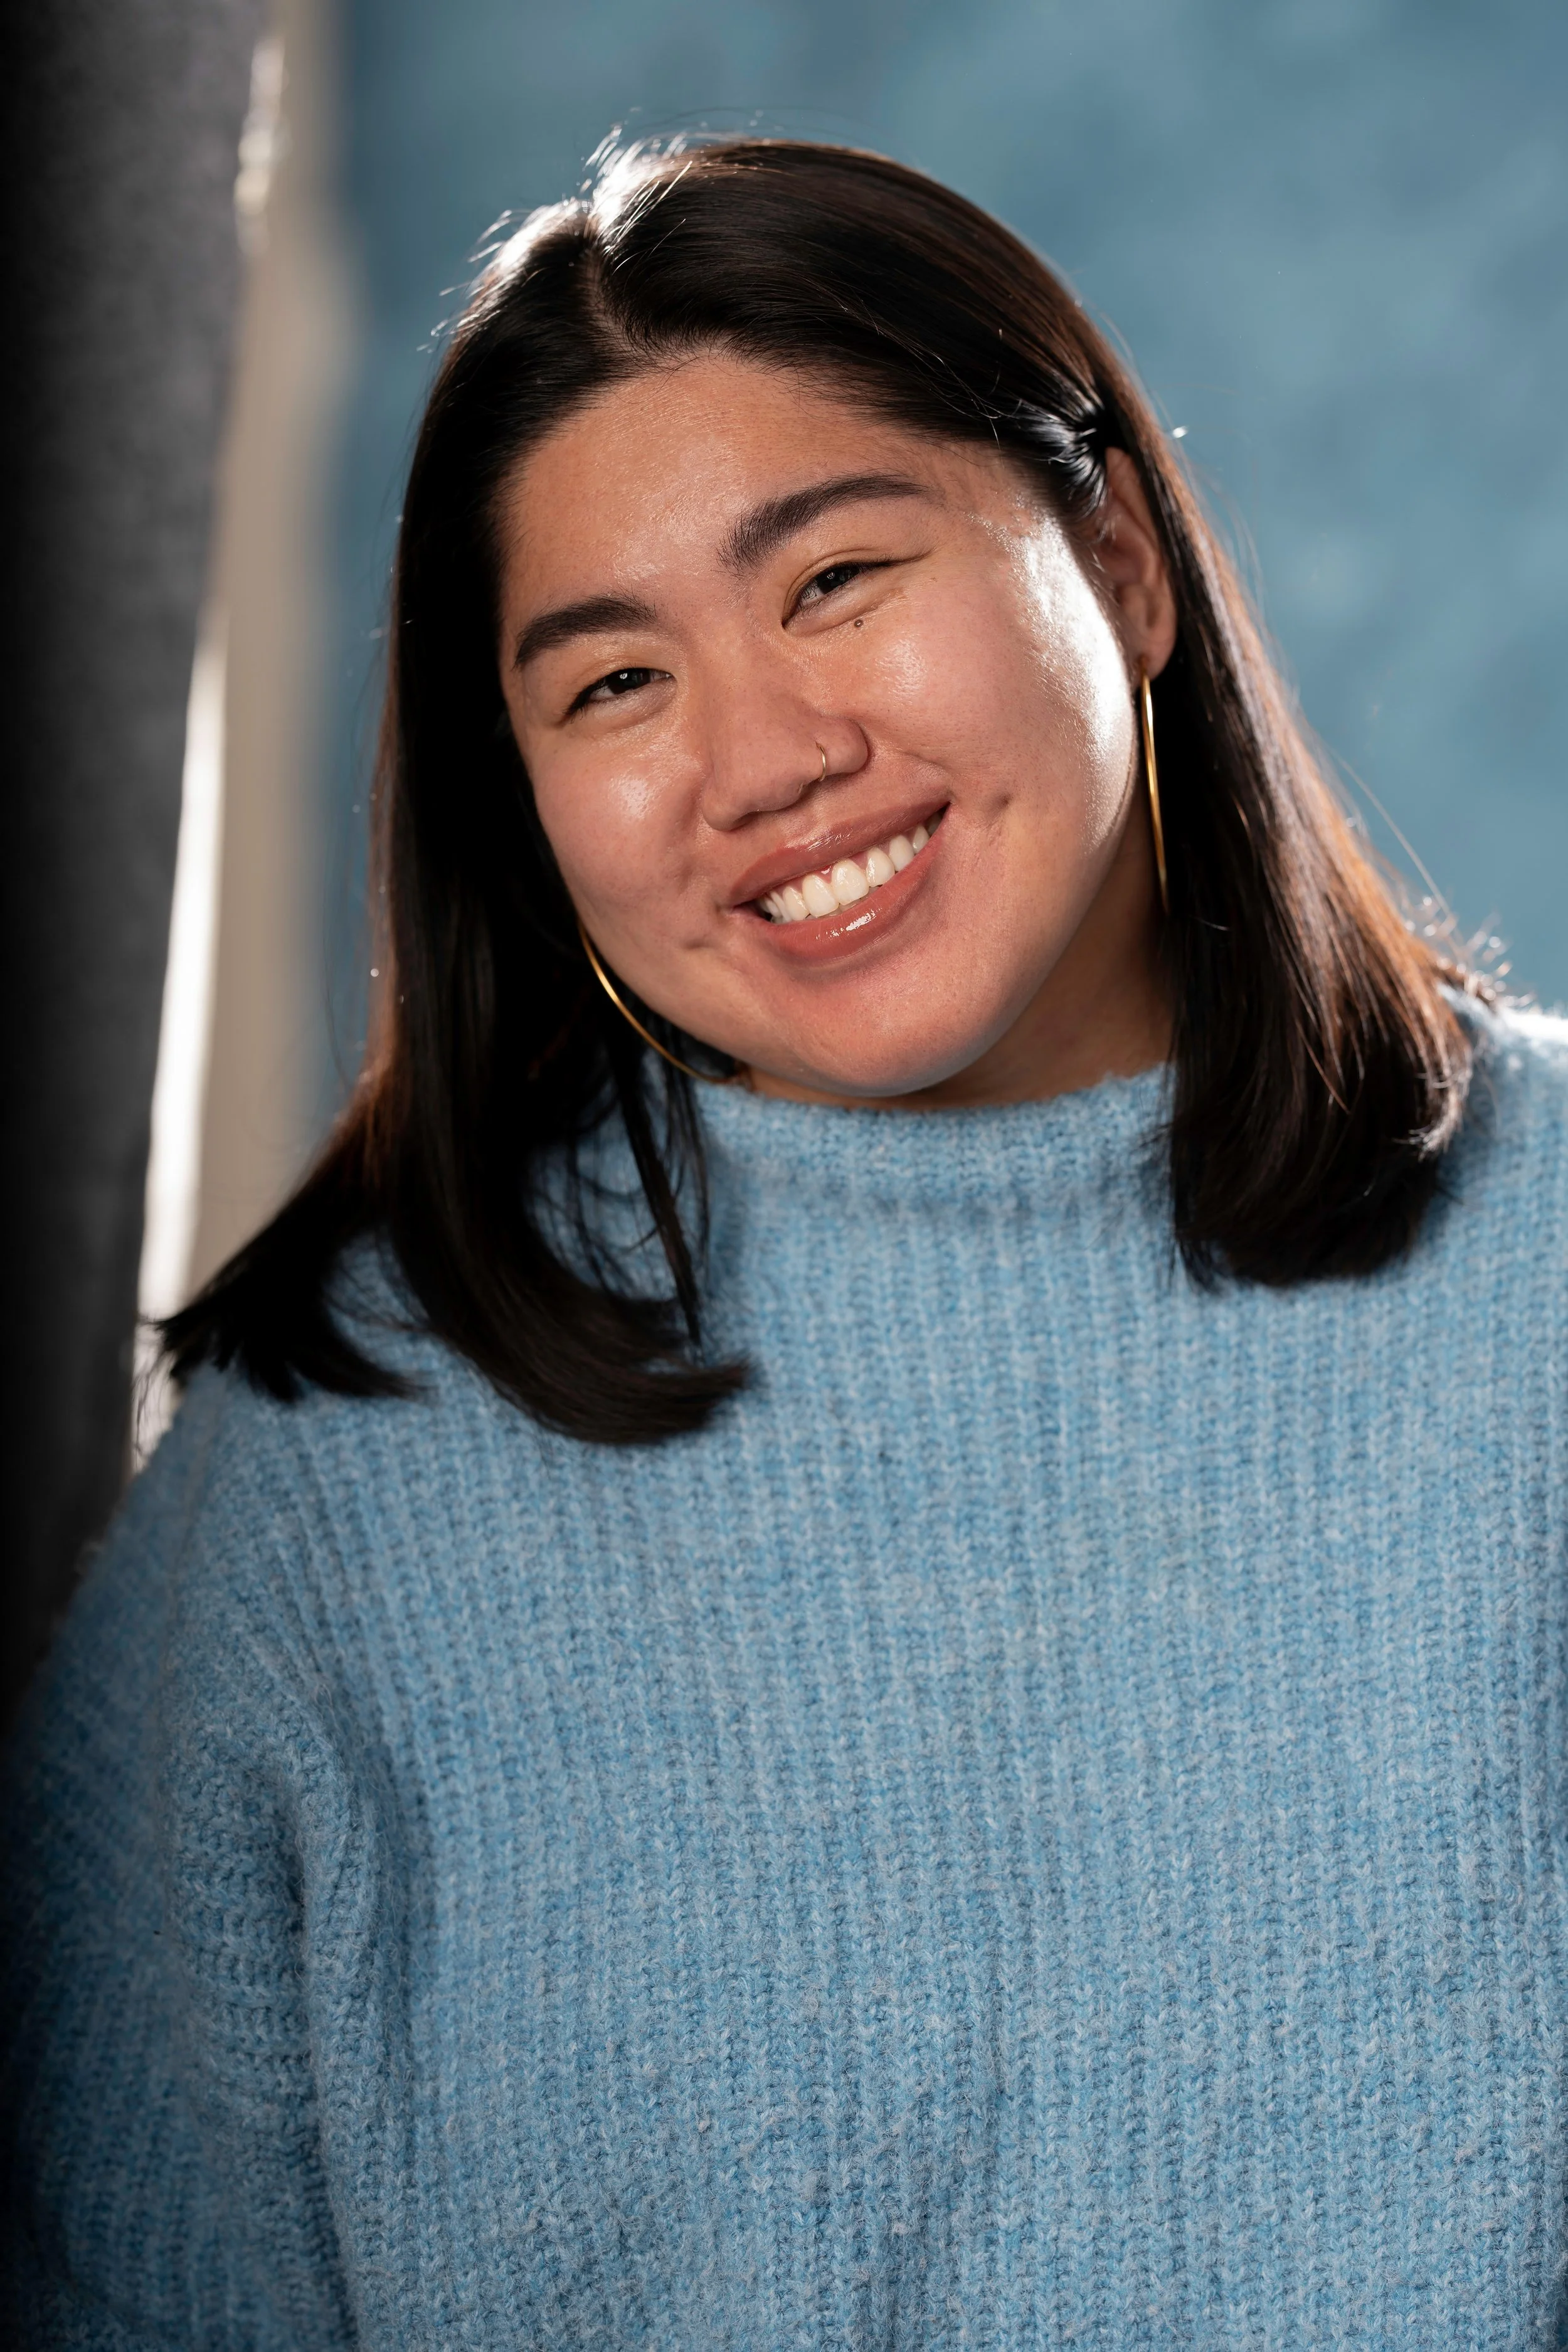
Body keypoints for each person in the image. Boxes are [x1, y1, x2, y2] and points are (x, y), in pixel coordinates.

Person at [4, 135, 1565, 2349]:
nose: (763, 759)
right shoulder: (341, 1457)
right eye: (611, 683)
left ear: (1115, 557)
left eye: (831, 578)